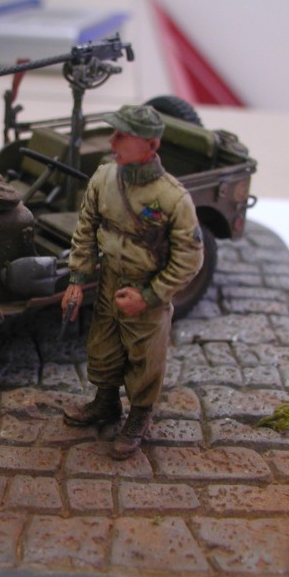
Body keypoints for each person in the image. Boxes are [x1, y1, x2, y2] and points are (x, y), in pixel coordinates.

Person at [61, 104, 204, 459]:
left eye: (123, 135)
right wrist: (77, 279)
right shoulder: (103, 178)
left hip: (146, 286)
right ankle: (105, 402)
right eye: (114, 132)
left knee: (145, 356)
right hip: (109, 278)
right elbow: (85, 228)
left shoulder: (173, 198)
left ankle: (139, 415)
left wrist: (151, 295)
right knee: (103, 345)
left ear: (151, 146)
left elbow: (190, 258)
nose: (112, 141)